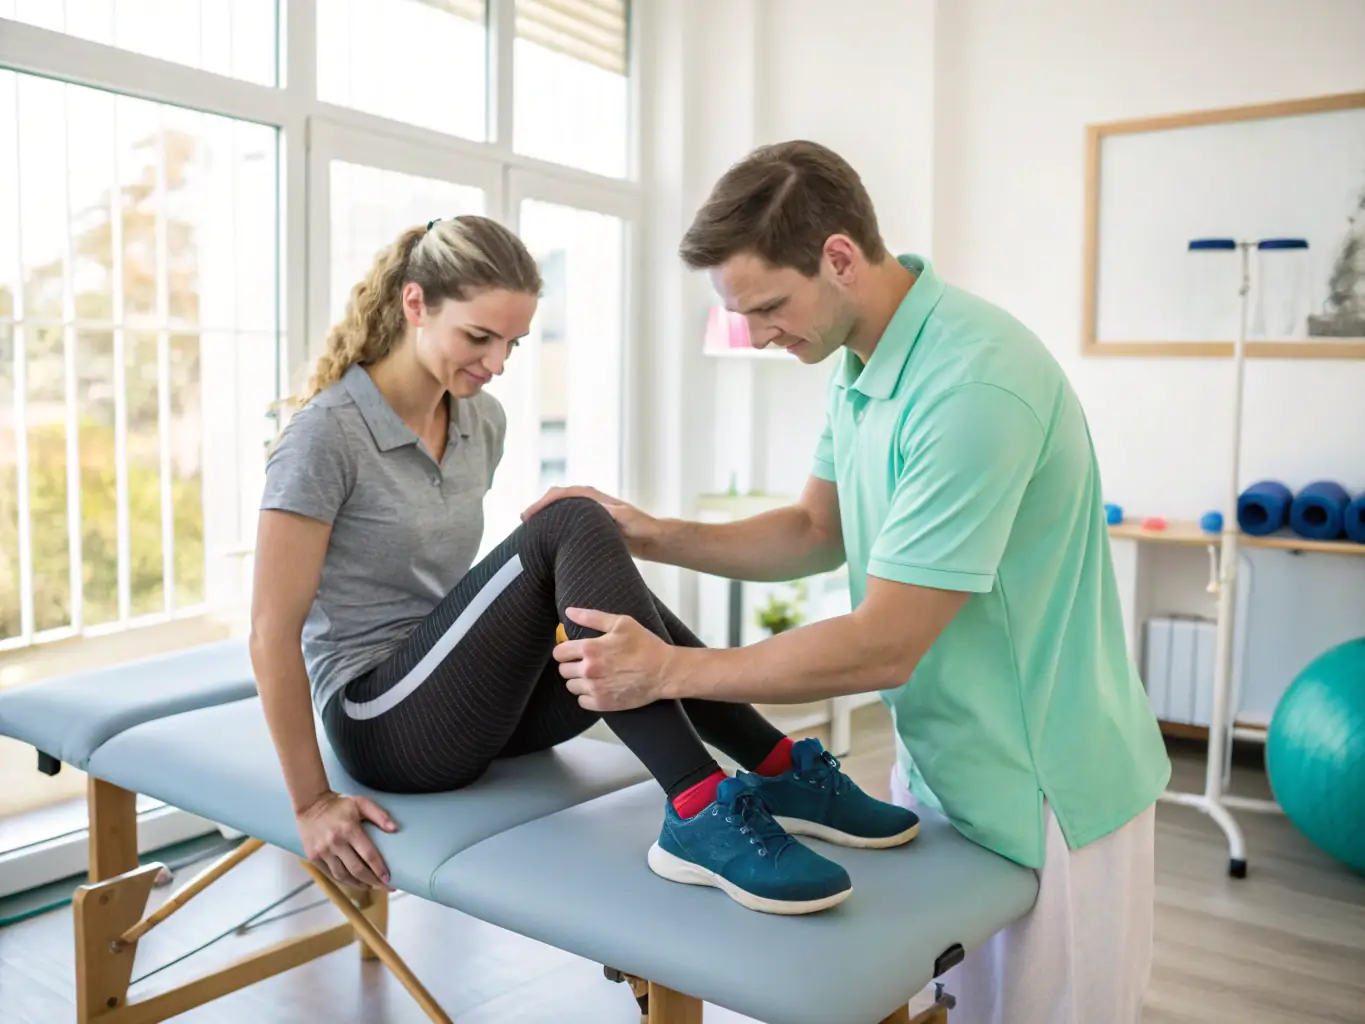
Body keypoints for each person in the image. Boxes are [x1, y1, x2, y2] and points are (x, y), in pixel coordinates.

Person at [528, 142, 1172, 1023]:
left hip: (1050, 791)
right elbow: (813, 530)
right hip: (942, 765)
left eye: (766, 307)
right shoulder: (863, 366)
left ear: (838, 258)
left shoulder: (973, 386)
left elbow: (883, 642)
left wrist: (669, 671)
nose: (755, 334)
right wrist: (649, 532)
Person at [247, 213, 918, 919]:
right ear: (415, 304)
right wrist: (311, 802)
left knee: (612, 621)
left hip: (474, 713)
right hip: (381, 720)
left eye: (512, 342)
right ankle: (697, 806)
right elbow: (270, 630)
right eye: (479, 337)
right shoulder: (326, 434)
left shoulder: (481, 421)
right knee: (570, 519)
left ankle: (779, 772)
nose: (496, 362)